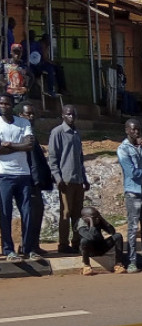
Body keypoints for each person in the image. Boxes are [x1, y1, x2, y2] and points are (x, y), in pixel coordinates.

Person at [47, 104, 89, 255]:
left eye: (73, 115)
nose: (71, 117)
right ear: (63, 116)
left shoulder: (76, 132)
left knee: (78, 213)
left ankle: (77, 241)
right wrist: (57, 178)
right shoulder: (57, 132)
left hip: (78, 180)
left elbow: (80, 158)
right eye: (68, 114)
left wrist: (85, 178)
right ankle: (63, 244)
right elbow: (53, 158)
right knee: (66, 212)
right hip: (65, 180)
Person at [116, 118, 142, 272]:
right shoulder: (123, 149)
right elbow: (131, 172)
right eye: (133, 129)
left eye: (138, 129)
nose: (136, 132)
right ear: (127, 130)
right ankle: (132, 261)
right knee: (133, 228)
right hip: (133, 193)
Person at [18, 102, 50, 259]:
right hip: (27, 181)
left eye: (32, 114)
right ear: (20, 116)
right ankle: (26, 246)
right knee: (30, 214)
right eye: (27, 114)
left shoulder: (31, 134)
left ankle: (34, 245)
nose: (31, 117)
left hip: (37, 182)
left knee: (38, 212)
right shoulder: (21, 134)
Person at [77, 206, 127, 276]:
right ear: (85, 218)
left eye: (97, 216)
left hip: (101, 246)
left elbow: (112, 231)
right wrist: (92, 223)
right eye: (94, 217)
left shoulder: (97, 220)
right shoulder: (81, 225)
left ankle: (118, 264)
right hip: (90, 251)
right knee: (84, 241)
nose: (96, 218)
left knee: (118, 236)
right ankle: (86, 266)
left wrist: (102, 219)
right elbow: (91, 237)